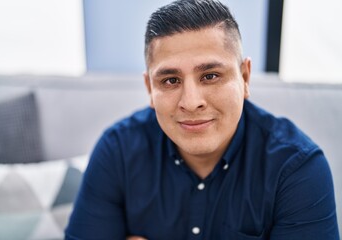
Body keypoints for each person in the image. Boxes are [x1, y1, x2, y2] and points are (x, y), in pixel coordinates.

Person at [65, 0, 339, 239]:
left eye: (210, 76)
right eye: (171, 80)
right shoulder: (118, 151)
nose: (191, 101)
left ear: (244, 77)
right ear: (150, 89)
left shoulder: (296, 167)